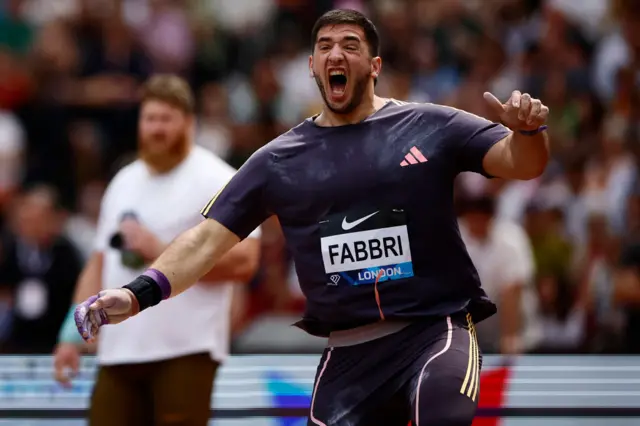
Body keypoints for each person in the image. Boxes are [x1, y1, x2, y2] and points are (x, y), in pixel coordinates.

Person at [74, 10, 550, 426]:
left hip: (434, 334)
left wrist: (529, 132)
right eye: (324, 47)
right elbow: (204, 242)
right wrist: (135, 294)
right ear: (312, 67)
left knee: (439, 415)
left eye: (350, 46)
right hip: (348, 354)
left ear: (375, 66)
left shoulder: (431, 124)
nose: (335, 54)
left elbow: (521, 163)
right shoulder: (278, 160)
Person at [54, 74, 261, 426]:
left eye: (166, 119)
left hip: (186, 348)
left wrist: (159, 250)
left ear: (188, 122)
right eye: (150, 119)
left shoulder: (217, 178)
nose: (157, 129)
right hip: (118, 349)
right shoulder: (124, 180)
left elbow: (246, 263)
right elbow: (100, 262)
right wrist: (70, 335)